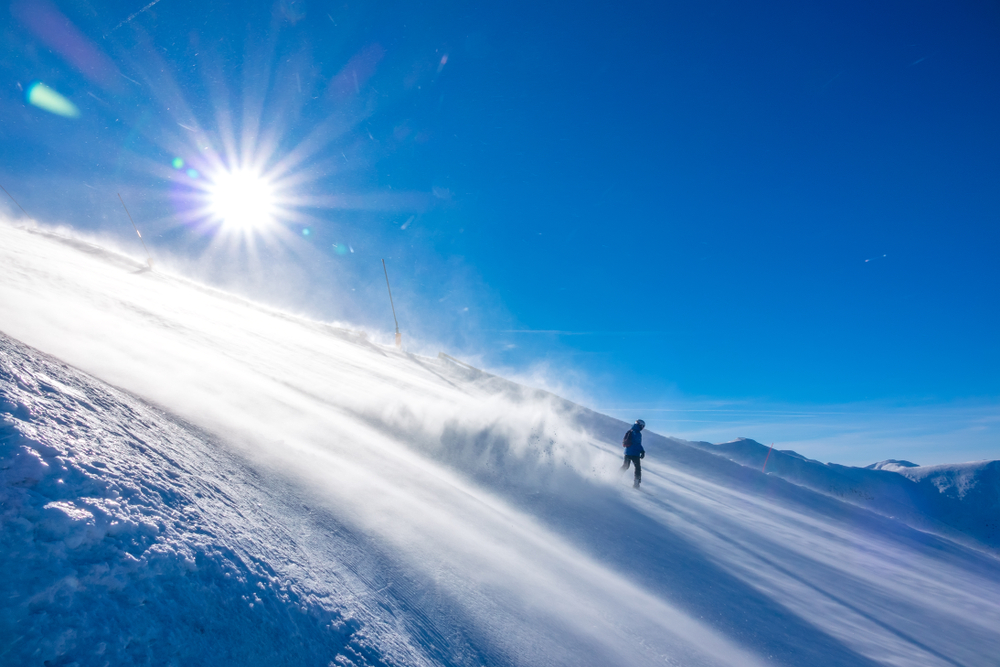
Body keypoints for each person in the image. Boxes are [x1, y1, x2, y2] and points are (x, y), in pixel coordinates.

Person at [620, 419, 646, 489]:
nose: (643, 428)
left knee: (625, 466)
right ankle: (636, 484)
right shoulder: (637, 433)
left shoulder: (630, 431)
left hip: (627, 452)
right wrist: (642, 451)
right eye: (643, 426)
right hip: (635, 454)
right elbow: (637, 444)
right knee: (637, 468)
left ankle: (617, 476)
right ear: (640, 425)